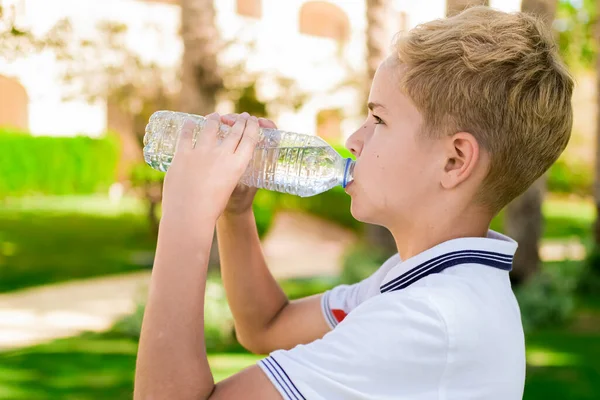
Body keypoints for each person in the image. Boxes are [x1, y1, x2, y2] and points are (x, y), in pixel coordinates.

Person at [133, 6, 573, 400]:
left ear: (454, 160)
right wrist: (235, 212)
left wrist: (185, 217)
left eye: (379, 119)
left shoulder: (429, 321)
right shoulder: (424, 281)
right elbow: (267, 325)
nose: (352, 141)